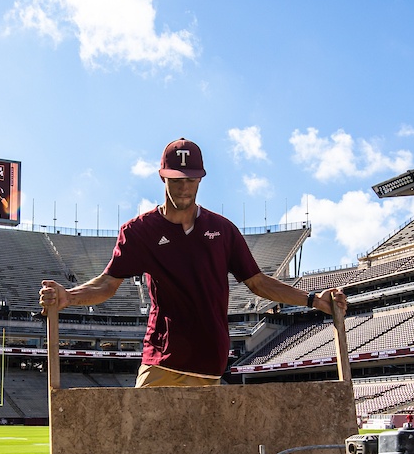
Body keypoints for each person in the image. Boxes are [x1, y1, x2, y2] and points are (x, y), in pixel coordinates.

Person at [39, 137, 347, 388]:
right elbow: (108, 283)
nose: (184, 187)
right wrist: (69, 297)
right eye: (176, 179)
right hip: (161, 358)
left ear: (200, 179)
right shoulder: (139, 231)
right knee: (142, 447)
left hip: (209, 363)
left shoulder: (223, 230)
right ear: (163, 176)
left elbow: (259, 282)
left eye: (191, 179)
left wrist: (311, 299)